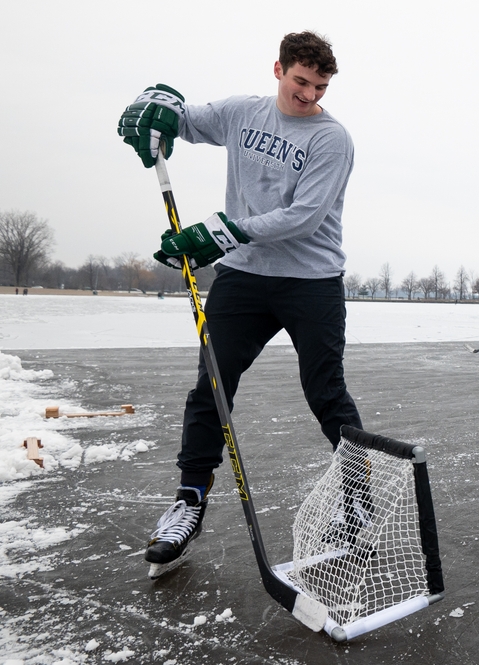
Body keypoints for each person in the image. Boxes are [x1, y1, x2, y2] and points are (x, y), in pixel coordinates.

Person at [117, 31, 363, 574]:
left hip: (311, 280)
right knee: (211, 386)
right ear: (277, 69)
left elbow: (304, 217)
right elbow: (186, 118)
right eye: (301, 82)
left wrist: (219, 234)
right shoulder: (240, 113)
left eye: (319, 87)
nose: (308, 96)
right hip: (244, 279)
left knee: (327, 393)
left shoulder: (331, 139)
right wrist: (158, 111)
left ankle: (359, 502)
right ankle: (187, 502)